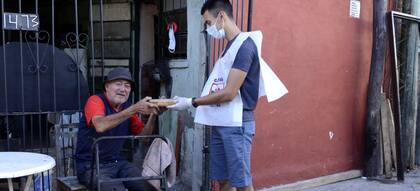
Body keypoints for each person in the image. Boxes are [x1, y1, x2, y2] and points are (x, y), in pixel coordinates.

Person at [167, 1, 262, 190]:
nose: (208, 28)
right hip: (222, 121)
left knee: (241, 182)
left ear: (221, 16)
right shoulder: (230, 47)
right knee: (223, 179)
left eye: (208, 22)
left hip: (238, 124)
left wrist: (191, 102)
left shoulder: (244, 46)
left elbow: (228, 93)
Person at [75, 67, 161, 191]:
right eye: (118, 84)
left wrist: (153, 115)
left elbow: (144, 138)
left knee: (149, 187)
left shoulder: (127, 107)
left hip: (118, 163)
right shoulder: (95, 101)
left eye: (127, 86)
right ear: (106, 87)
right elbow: (100, 126)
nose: (123, 89)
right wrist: (134, 109)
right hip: (91, 166)